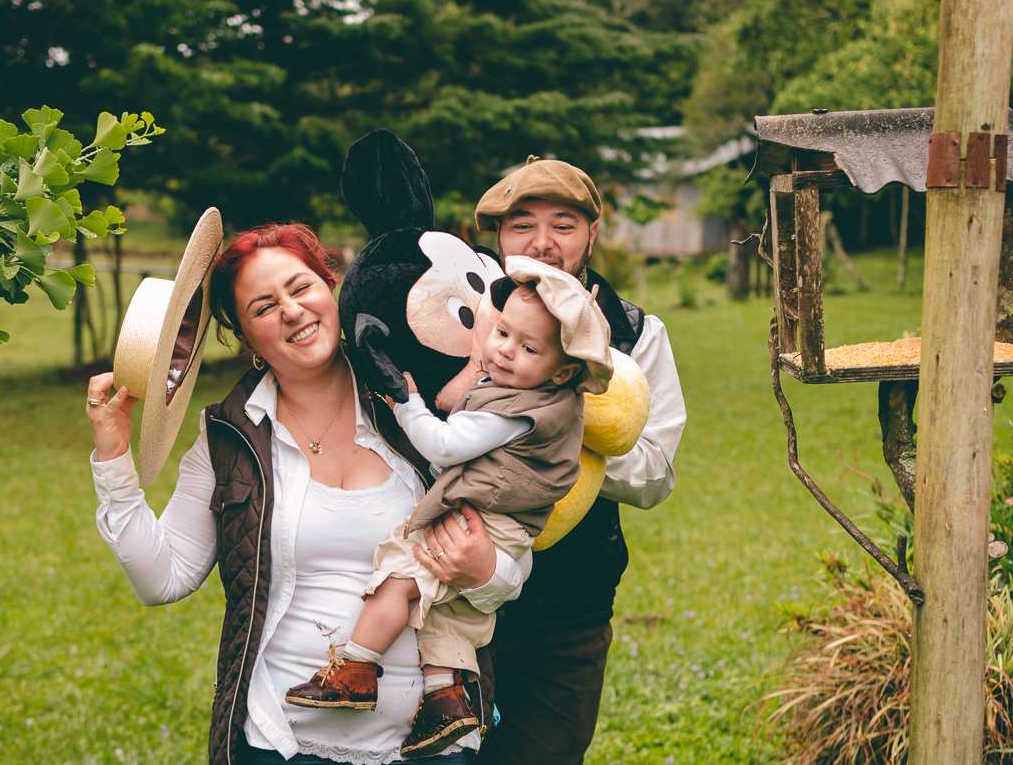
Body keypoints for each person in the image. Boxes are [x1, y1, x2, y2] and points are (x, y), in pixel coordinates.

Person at [85, 223, 527, 765]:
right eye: (263, 307)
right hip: (281, 741)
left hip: (430, 741)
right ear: (245, 338)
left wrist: (484, 571)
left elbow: (506, 567)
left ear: (332, 286)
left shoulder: (420, 405)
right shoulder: (229, 434)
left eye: (301, 288)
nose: (292, 311)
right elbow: (162, 579)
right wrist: (113, 457)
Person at [285, 258, 612, 759]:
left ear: (563, 370)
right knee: (444, 614)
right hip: (503, 525)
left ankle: (354, 669)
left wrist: (406, 401)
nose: (504, 351)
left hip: (480, 523)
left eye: (528, 348)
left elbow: (442, 444)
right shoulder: (547, 400)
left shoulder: (517, 411)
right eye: (501, 332)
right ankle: (445, 699)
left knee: (399, 576)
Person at [419, 157, 687, 765]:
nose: (542, 242)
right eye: (522, 225)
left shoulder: (637, 336)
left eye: (563, 224)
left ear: (593, 233)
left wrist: (553, 437)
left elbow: (655, 474)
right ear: (496, 237)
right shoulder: (458, 321)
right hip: (446, 592)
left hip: (569, 614)